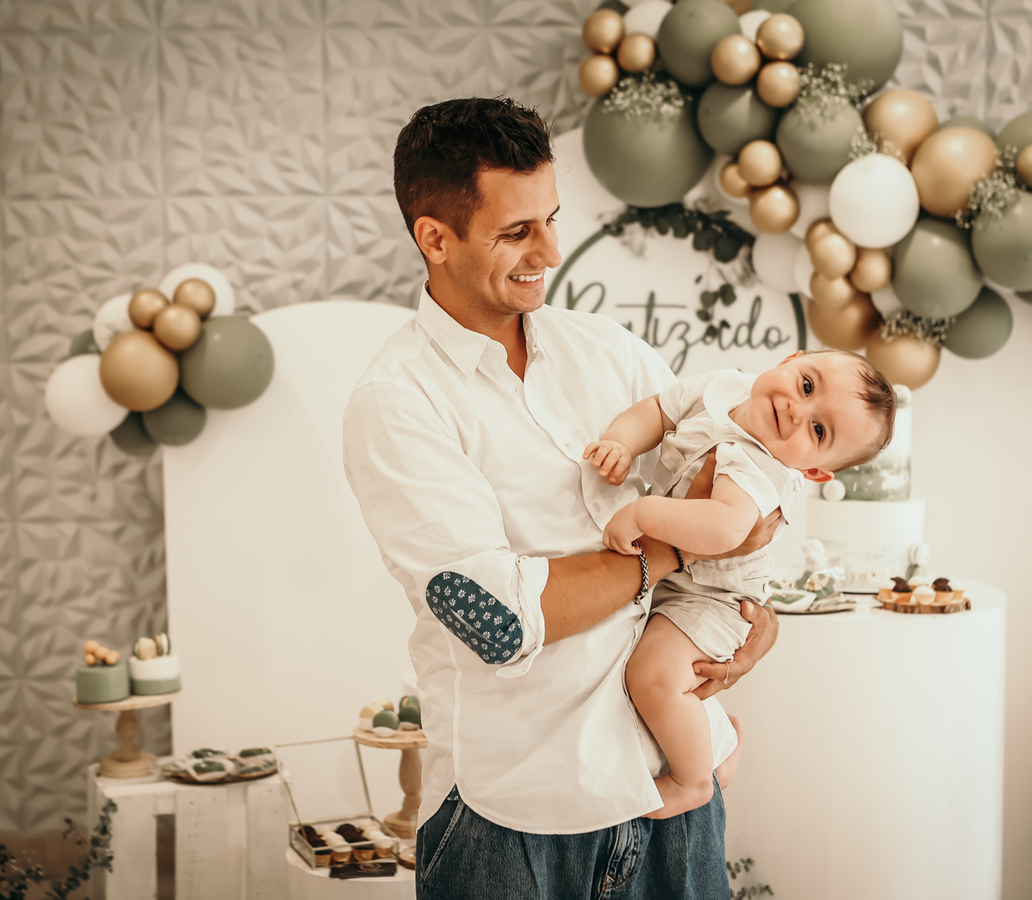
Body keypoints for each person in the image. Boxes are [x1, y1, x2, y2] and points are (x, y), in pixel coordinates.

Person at [342, 96, 783, 900]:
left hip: (670, 800)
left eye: (550, 220)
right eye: (517, 232)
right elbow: (499, 619)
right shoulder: (398, 401)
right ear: (434, 238)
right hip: (512, 818)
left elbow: (733, 485)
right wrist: (681, 544)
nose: (548, 252)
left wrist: (756, 615)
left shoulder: (611, 352)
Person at [584, 350, 895, 818]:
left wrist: (644, 513)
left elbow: (725, 530)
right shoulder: (723, 386)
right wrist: (621, 443)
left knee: (651, 675)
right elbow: (658, 411)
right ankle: (720, 737)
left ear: (812, 471)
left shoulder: (761, 466)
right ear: (792, 358)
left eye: (818, 430)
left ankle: (693, 781)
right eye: (807, 385)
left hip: (714, 598)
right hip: (677, 577)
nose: (796, 410)